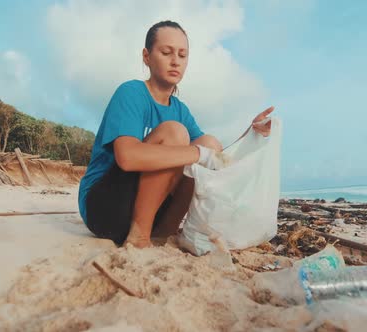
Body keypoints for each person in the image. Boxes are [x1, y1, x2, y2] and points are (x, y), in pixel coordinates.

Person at [78, 20, 274, 248]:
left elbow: (213, 155)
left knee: (208, 142)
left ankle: (165, 233)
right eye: (166, 52)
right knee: (175, 134)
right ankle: (139, 237)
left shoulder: (180, 109)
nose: (175, 61)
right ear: (147, 56)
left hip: (151, 211)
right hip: (105, 210)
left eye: (182, 55)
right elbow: (127, 157)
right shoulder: (131, 93)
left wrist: (251, 133)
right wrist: (196, 153)